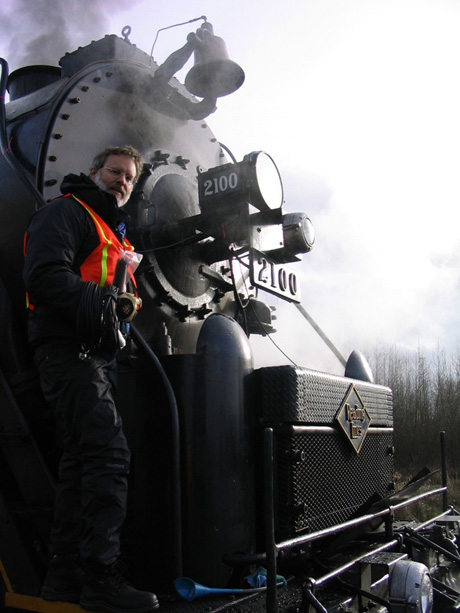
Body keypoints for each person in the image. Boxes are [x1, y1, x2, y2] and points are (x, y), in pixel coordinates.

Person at [23, 145, 159, 612]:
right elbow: (42, 275)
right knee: (107, 453)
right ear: (92, 173)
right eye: (114, 171)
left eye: (128, 177)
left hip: (96, 355)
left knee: (80, 462)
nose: (121, 180)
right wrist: (104, 303)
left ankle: (64, 579)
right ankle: (102, 578)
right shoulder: (64, 213)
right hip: (68, 349)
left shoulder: (114, 236)